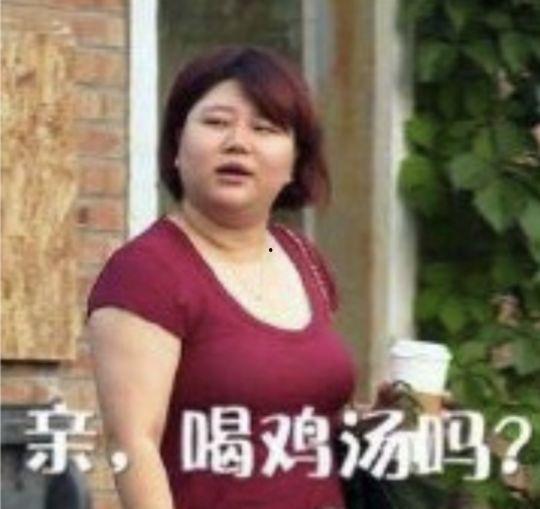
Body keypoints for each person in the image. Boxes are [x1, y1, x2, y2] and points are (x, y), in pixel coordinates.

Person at [85, 46, 359, 509]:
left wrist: (390, 418)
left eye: (265, 128)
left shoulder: (303, 258)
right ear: (177, 146)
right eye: (216, 122)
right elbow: (132, 445)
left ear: (295, 160)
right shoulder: (146, 273)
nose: (238, 142)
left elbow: (294, 420)